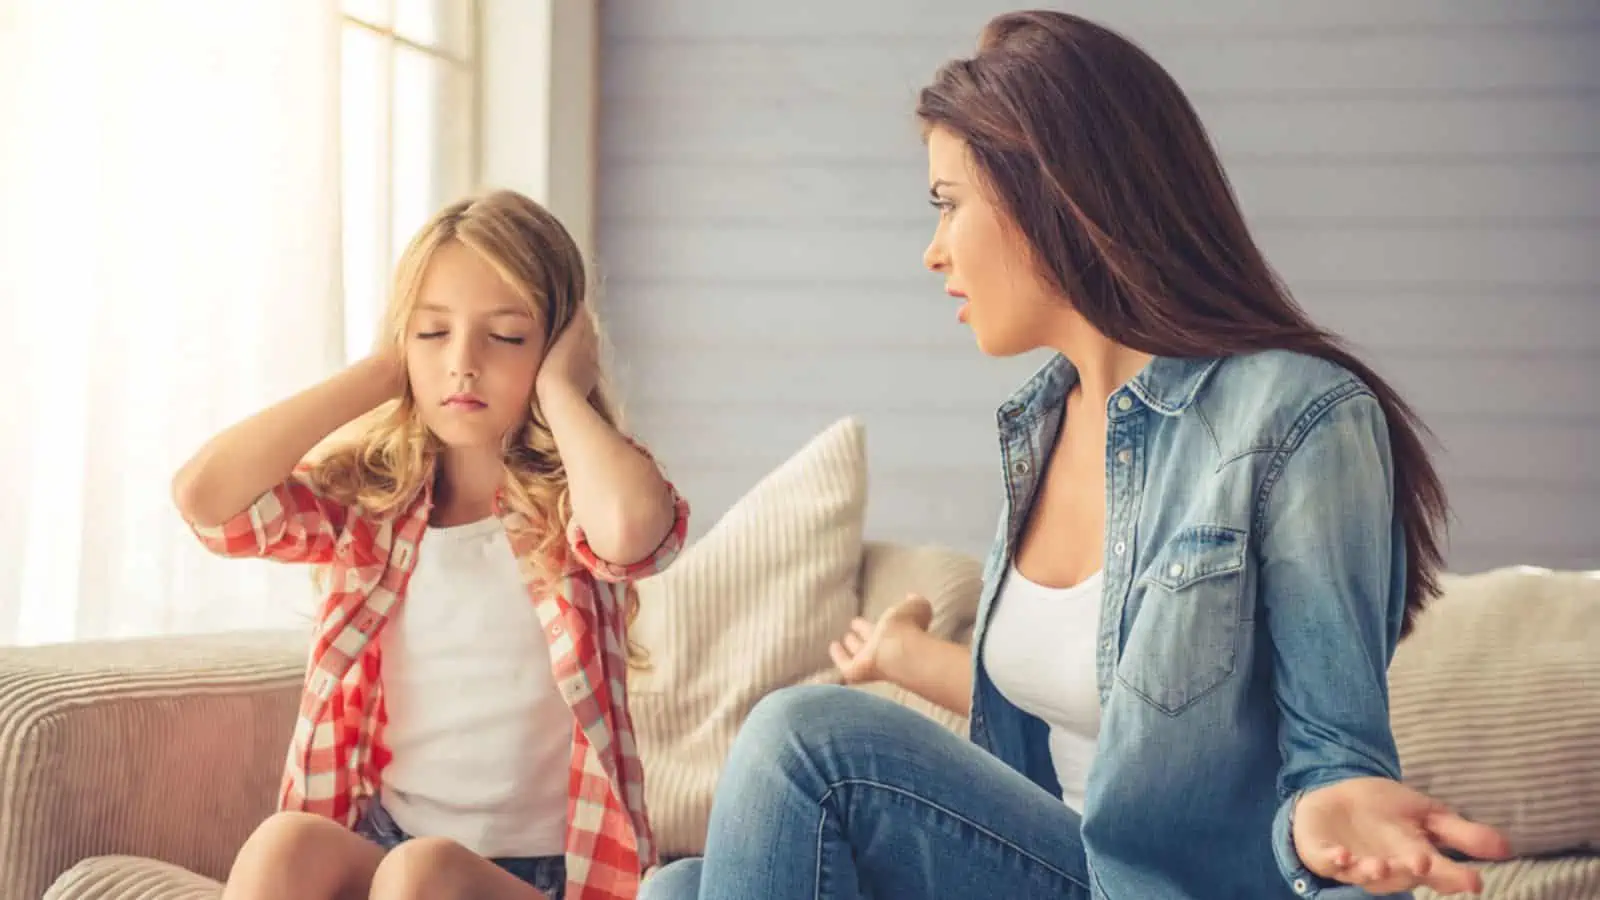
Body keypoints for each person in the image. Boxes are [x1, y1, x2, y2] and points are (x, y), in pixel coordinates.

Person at [640, 10, 1511, 900]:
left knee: (804, 738)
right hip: (1061, 869)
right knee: (676, 889)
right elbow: (1090, 696)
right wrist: (909, 656)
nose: (933, 250)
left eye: (947, 204)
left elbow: (1336, 757)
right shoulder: (1041, 426)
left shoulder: (1297, 417)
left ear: (1047, 193)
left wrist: (1332, 806)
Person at [173, 189, 689, 900]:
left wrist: (566, 392)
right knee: (284, 844)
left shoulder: (575, 503)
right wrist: (380, 375)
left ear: (557, 347)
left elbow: (635, 532)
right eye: (433, 333)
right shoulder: (375, 509)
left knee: (427, 875)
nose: (463, 364)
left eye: (505, 336)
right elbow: (206, 499)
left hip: (542, 876)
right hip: (388, 847)